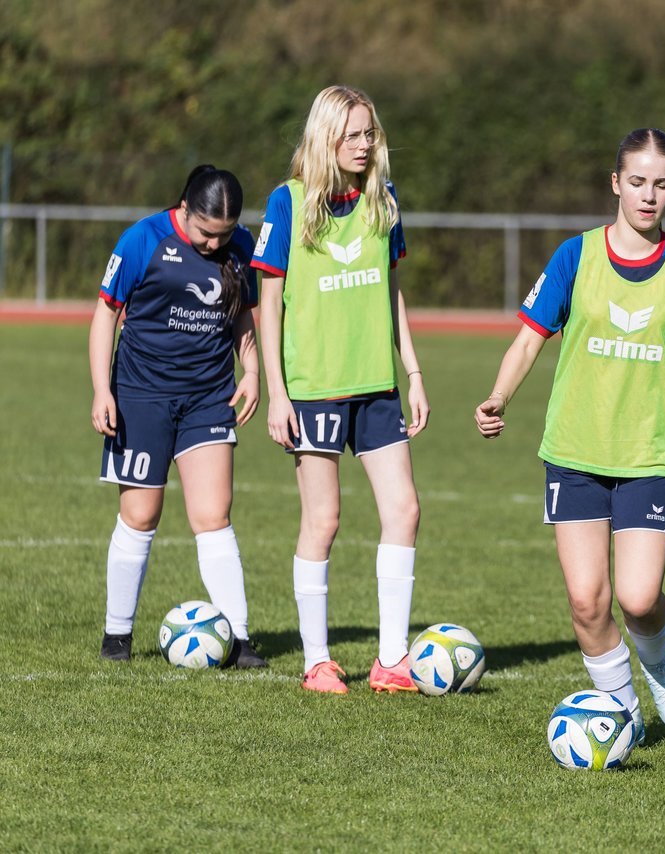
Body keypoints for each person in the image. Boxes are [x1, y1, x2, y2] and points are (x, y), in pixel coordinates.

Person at [474, 128, 665, 739]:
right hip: (574, 450)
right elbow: (530, 336)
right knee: (588, 602)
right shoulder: (576, 255)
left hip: (649, 451)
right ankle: (623, 717)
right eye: (637, 181)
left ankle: (659, 665)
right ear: (615, 183)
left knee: (639, 600)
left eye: (661, 183)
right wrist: (498, 396)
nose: (648, 195)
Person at [254, 85, 429, 695]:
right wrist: (277, 392)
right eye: (352, 134)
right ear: (324, 135)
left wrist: (413, 374)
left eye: (369, 133)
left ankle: (390, 660)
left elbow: (390, 291)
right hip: (313, 389)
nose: (364, 144)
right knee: (323, 520)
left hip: (376, 386)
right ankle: (317, 661)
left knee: (404, 510)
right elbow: (267, 305)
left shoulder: (385, 200)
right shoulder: (288, 203)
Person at [90, 164, 267, 668]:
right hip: (141, 395)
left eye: (224, 235)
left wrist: (250, 370)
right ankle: (117, 635)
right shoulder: (142, 239)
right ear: (185, 210)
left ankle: (238, 639)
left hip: (209, 395)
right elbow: (106, 313)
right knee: (141, 515)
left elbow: (242, 313)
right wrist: (102, 388)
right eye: (205, 233)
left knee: (213, 516)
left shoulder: (241, 245)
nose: (214, 245)